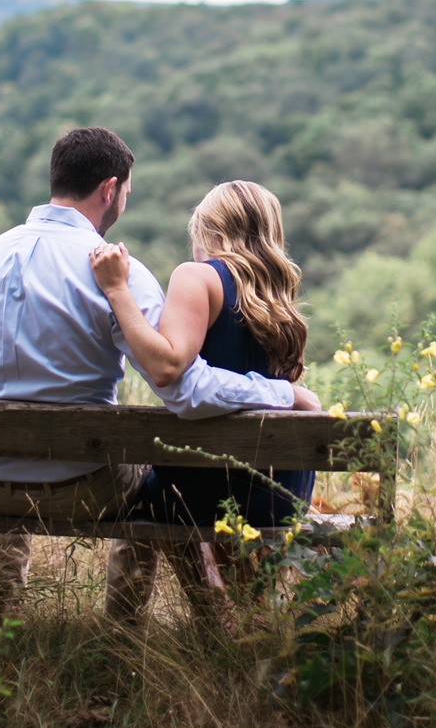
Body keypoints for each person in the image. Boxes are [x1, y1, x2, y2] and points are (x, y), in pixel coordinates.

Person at [0, 127, 318, 618]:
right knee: (155, 479)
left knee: (10, 450)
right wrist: (281, 393)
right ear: (111, 189)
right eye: (127, 191)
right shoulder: (118, 273)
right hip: (83, 486)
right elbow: (182, 385)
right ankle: (126, 630)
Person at [91, 180, 316, 532]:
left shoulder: (197, 277)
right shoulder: (280, 301)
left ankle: (195, 591)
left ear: (207, 230)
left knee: (145, 499)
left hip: (201, 492)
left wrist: (117, 289)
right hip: (283, 495)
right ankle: (221, 589)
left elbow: (170, 365)